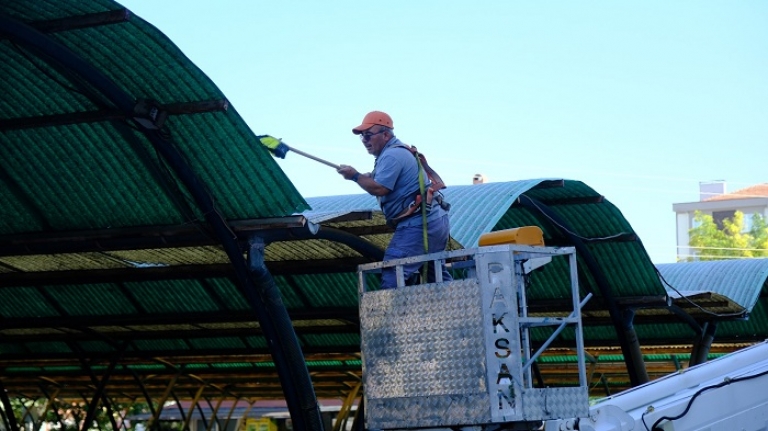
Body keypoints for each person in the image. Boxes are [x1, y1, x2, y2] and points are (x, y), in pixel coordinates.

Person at [337, 111, 452, 288]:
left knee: (394, 269)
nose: (365, 141)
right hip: (433, 220)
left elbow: (380, 188)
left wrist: (355, 176)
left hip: (419, 223)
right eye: (362, 137)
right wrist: (365, 176)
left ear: (385, 134)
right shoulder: (396, 152)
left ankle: (393, 315)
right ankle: (455, 309)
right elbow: (382, 180)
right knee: (434, 273)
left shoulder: (391, 156)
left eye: (368, 135)